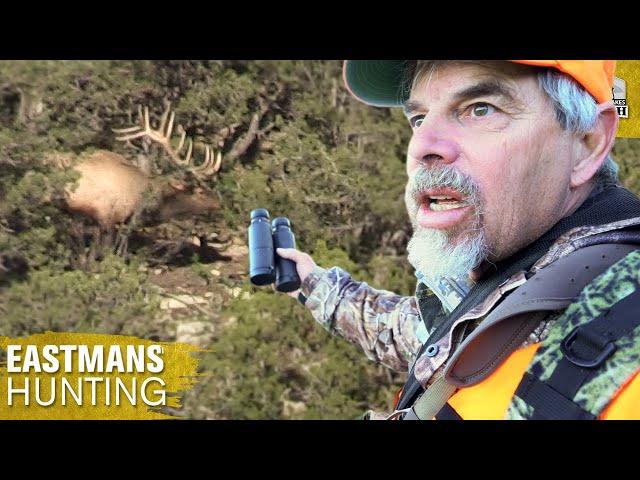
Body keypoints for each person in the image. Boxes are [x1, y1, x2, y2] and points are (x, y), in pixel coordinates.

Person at [276, 60, 640, 420]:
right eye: (418, 118)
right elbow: (423, 334)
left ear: (587, 142)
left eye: (480, 109)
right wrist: (312, 283)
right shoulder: (517, 273)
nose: (421, 146)